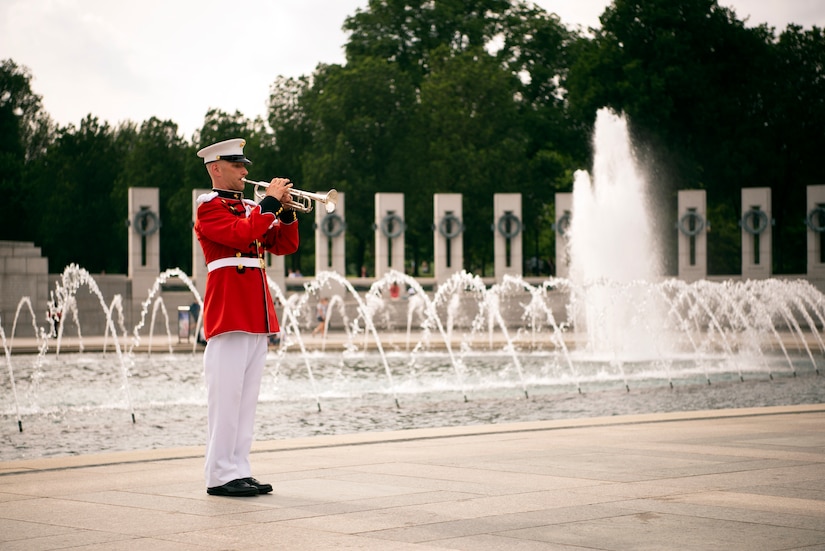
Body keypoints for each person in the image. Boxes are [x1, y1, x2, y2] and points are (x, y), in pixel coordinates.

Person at [194, 138, 300, 497]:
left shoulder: (250, 208)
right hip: (229, 313)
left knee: (245, 401)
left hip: (255, 315)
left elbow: (284, 245)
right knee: (226, 401)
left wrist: (284, 211)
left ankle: (238, 468)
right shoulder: (209, 208)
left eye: (244, 165)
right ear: (215, 168)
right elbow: (242, 234)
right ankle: (219, 475)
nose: (245, 171)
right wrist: (269, 202)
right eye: (237, 165)